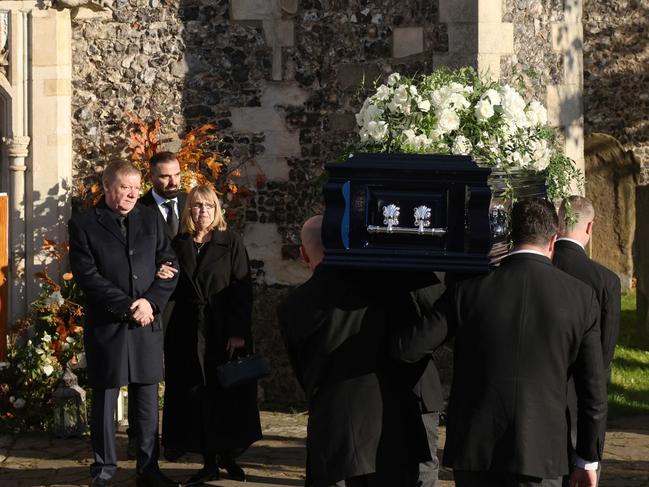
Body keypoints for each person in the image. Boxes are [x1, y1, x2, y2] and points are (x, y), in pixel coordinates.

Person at [397, 198, 608, 487]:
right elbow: (593, 392)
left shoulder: (469, 291)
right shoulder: (581, 298)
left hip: (476, 450)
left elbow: (411, 347)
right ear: (553, 241)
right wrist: (587, 459)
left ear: (510, 236)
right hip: (543, 453)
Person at [278, 216, 446, 487]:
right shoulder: (384, 285)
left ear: (303, 254)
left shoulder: (292, 306)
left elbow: (304, 374)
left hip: (331, 431)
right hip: (388, 430)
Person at [68, 161, 179, 487]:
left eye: (135, 187)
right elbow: (88, 276)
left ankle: (148, 468)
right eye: (125, 187)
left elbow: (169, 262)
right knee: (104, 399)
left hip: (147, 323)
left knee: (146, 400)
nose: (132, 193)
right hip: (109, 325)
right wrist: (131, 306)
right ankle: (103, 470)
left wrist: (151, 302)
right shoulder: (84, 224)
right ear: (106, 186)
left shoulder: (150, 217)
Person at [161, 184, 261, 485]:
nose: (202, 211)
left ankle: (227, 454)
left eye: (207, 206)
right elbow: (172, 287)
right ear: (189, 210)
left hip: (223, 330)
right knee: (197, 395)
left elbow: (242, 289)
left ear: (216, 210)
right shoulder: (178, 244)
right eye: (196, 206)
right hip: (188, 330)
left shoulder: (230, 242)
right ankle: (208, 460)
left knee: (227, 393)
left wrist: (238, 332)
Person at [553, 195, 621, 485]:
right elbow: (604, 353)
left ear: (558, 222)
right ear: (590, 226)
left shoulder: (541, 266)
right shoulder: (605, 280)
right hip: (583, 398)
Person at [128, 151, 186, 461]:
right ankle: (137, 437)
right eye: (165, 176)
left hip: (185, 302)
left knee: (179, 371)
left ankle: (175, 438)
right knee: (142, 372)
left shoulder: (193, 203)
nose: (172, 181)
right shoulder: (138, 208)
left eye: (176, 174)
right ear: (151, 177)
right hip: (150, 300)